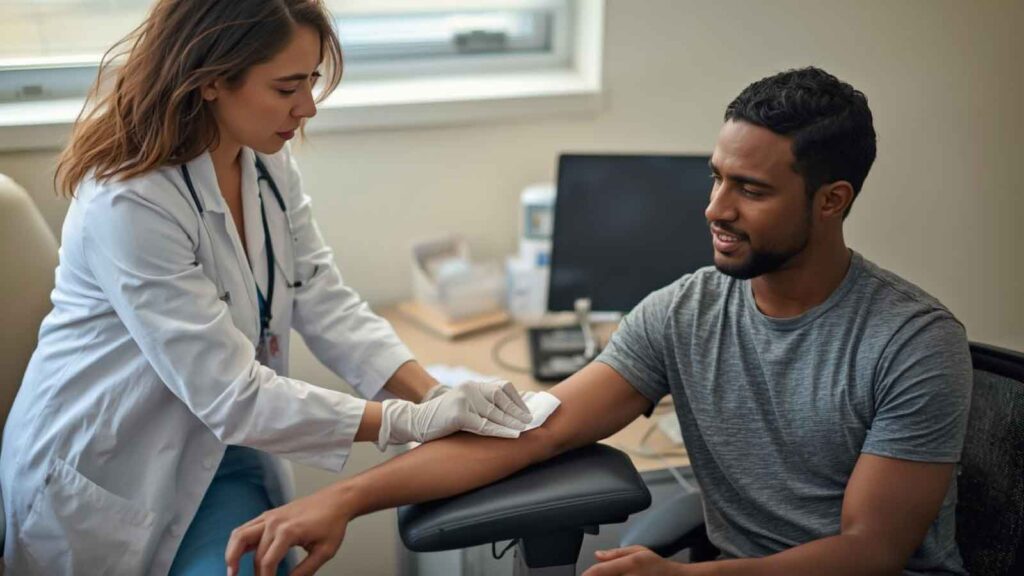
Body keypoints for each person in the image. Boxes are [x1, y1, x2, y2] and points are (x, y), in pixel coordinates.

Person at [225, 67, 973, 576]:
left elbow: (871, 551)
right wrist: (342, 499)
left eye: (750, 189)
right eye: (716, 178)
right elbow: (535, 429)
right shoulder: (685, 311)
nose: (714, 209)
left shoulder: (910, 343)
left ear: (832, 200)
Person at [0, 1, 534, 575]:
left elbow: (324, 301)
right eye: (285, 88)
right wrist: (406, 423)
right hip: (113, 470)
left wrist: (432, 396)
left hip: (222, 459)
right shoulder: (129, 201)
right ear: (208, 81)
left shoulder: (265, 163)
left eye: (311, 81)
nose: (306, 108)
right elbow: (232, 395)